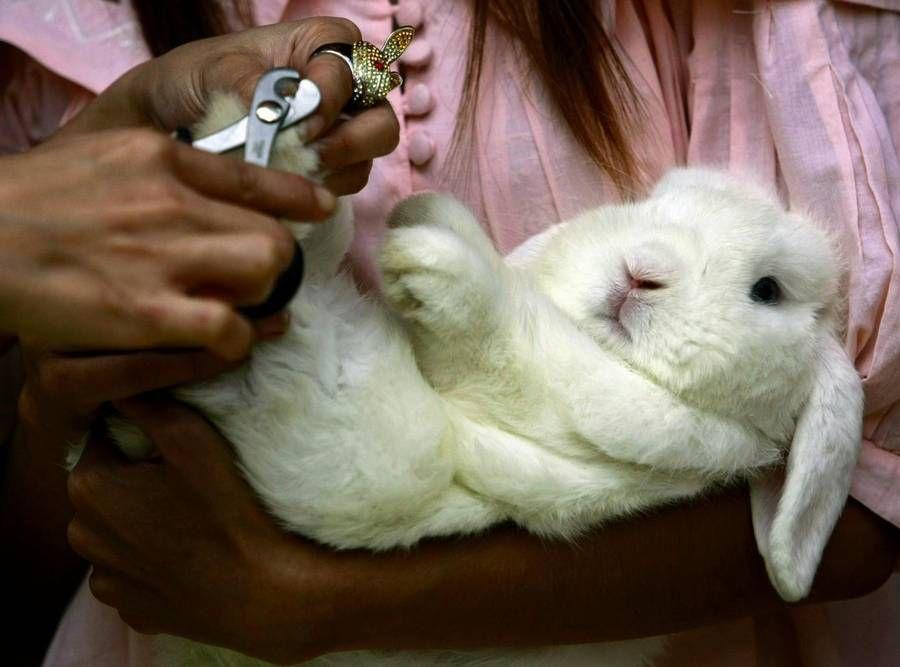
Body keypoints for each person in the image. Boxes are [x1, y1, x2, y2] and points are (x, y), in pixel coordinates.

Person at [1, 0, 898, 665]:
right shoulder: (74, 42)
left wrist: (330, 599)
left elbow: (875, 492)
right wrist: (80, 395)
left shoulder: (736, 27)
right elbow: (49, 518)